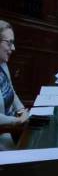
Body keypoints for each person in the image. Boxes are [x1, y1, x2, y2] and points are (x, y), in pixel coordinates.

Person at [0, 20, 27, 150]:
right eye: (9, 43)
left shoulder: (3, 64)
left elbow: (12, 91)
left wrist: (21, 110)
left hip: (15, 125)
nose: (13, 48)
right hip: (4, 132)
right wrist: (17, 121)